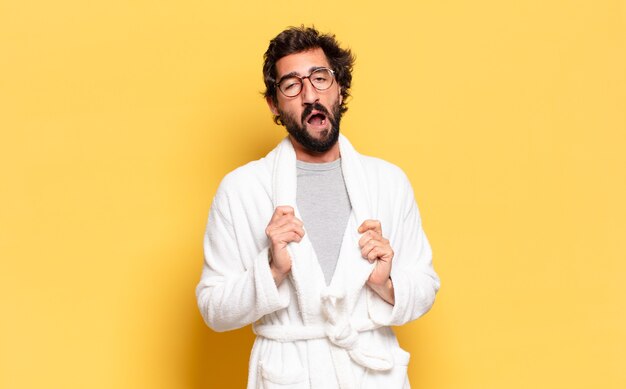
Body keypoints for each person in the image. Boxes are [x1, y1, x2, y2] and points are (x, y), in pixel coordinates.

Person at [196, 26, 440, 389]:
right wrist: (271, 270)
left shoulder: (388, 182)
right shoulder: (241, 189)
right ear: (275, 104)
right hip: (288, 374)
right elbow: (213, 308)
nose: (310, 94)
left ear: (339, 89)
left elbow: (425, 285)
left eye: (320, 78)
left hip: (372, 375)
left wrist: (385, 281)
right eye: (292, 85)